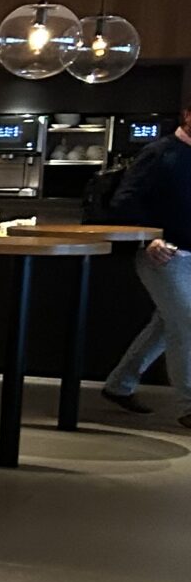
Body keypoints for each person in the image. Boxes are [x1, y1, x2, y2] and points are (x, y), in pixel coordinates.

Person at [99, 102, 191, 422]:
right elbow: (124, 200)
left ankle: (119, 384)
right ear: (187, 116)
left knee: (167, 325)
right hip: (164, 255)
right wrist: (148, 239)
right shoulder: (160, 153)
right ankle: (189, 406)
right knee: (188, 323)